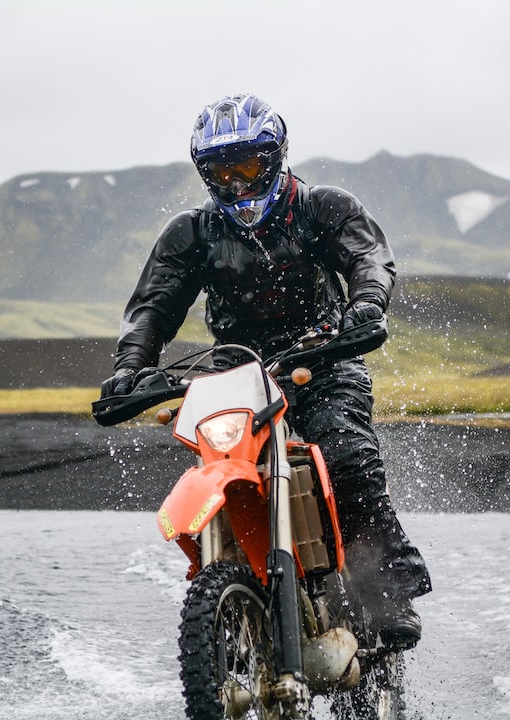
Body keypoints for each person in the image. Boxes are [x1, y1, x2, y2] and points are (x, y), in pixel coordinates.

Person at [99, 93, 431, 647]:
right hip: (238, 374)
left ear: (274, 159)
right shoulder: (191, 233)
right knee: (217, 456)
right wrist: (131, 366)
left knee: (346, 449)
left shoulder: (322, 206)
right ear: (206, 175)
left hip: (324, 359)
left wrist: (367, 304)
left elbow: (368, 257)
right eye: (222, 172)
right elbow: (152, 307)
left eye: (248, 166)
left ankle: (388, 590)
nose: (237, 184)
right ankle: (237, 592)